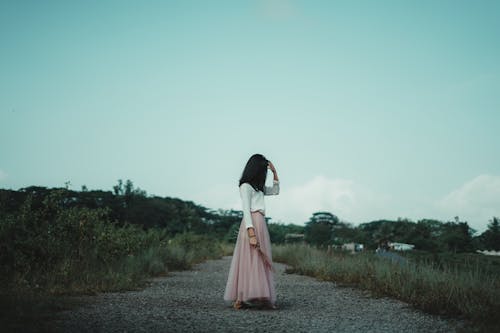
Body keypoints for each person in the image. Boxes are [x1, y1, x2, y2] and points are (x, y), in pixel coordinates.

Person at [223, 154, 280, 310]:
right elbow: (246, 211)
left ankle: (262, 296)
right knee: (247, 260)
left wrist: (275, 173)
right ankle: (240, 297)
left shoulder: (258, 188)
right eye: (263, 170)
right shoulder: (245, 186)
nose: (264, 173)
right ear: (256, 169)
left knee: (259, 260)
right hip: (251, 224)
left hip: (260, 222)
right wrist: (251, 233)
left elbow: (275, 191)